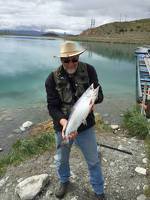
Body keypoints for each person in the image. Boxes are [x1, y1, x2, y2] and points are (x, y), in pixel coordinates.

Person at [45, 41, 105, 200]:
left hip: (86, 127)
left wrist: (94, 101)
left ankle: (99, 191)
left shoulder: (89, 70)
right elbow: (52, 107)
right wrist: (64, 124)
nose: (71, 63)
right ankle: (64, 181)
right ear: (61, 60)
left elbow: (99, 94)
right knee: (61, 160)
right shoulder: (51, 79)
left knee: (93, 160)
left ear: (78, 57)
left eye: (74, 59)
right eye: (66, 60)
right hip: (64, 127)